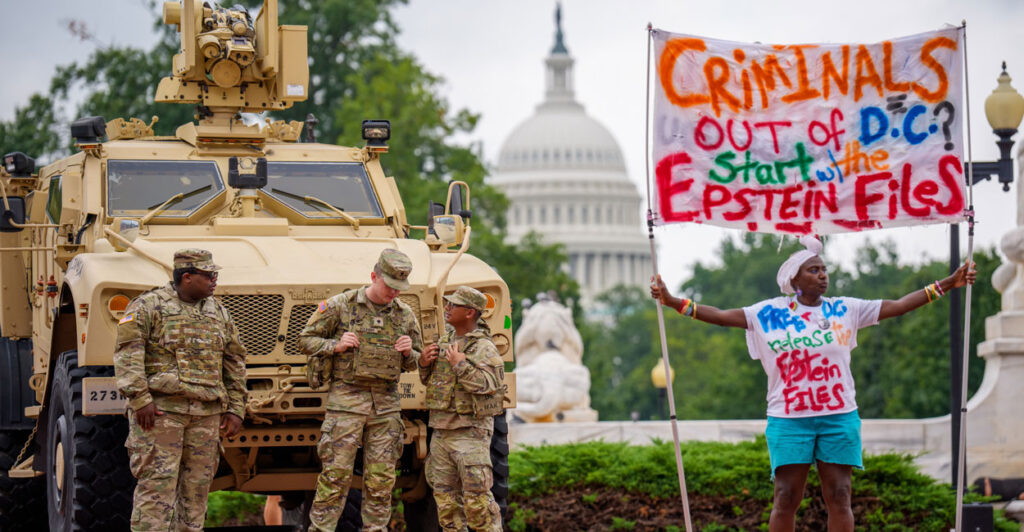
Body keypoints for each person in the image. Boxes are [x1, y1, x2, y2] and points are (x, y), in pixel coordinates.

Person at [650, 235, 976, 532]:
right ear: (794, 280)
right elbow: (720, 315)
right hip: (789, 420)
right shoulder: (768, 313)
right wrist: (673, 301)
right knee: (786, 497)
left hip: (838, 417)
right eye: (813, 270)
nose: (823, 275)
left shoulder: (845, 309)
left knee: (840, 495)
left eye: (824, 269)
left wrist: (948, 283)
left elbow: (898, 306)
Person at [114, 249, 248, 531]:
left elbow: (234, 361)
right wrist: (140, 400)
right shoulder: (147, 306)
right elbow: (128, 356)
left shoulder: (219, 312)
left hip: (207, 416)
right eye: (209, 275)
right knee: (156, 489)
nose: (215, 281)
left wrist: (236, 408)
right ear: (187, 277)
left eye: (215, 275)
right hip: (163, 414)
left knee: (197, 491)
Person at [298, 248, 423, 532]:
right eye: (389, 286)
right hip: (345, 406)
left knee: (381, 482)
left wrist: (408, 354)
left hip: (386, 409)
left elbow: (417, 359)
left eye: (399, 288)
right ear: (373, 276)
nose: (394, 293)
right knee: (335, 478)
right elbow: (305, 340)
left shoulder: (405, 315)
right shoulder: (340, 305)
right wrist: (335, 345)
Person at [419, 286, 506, 532]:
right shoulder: (445, 341)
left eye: (453, 305)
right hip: (441, 432)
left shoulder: (484, 348)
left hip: (470, 433)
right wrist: (424, 363)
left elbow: (490, 385)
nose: (447, 308)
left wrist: (461, 366)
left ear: (469, 313)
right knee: (446, 507)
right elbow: (431, 381)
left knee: (477, 504)